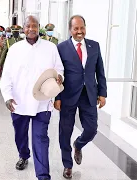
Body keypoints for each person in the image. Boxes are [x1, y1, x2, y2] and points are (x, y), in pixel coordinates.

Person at [0, 15, 64, 180]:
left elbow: (59, 69)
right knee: (20, 134)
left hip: (42, 103)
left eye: (34, 26)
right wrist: (7, 96)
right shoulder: (15, 49)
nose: (31, 29)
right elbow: (6, 75)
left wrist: (60, 78)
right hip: (18, 102)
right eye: (28, 26)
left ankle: (43, 176)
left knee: (40, 138)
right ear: (23, 29)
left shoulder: (50, 48)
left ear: (39, 27)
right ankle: (23, 155)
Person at [54, 15, 107, 179]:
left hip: (89, 94)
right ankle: (67, 165)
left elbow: (100, 71)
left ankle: (79, 144)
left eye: (81, 28)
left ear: (85, 27)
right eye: (76, 28)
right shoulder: (61, 47)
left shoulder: (94, 46)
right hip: (68, 94)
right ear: (70, 29)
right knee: (65, 132)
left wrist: (103, 93)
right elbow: (57, 74)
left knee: (91, 130)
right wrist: (57, 97)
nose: (79, 31)